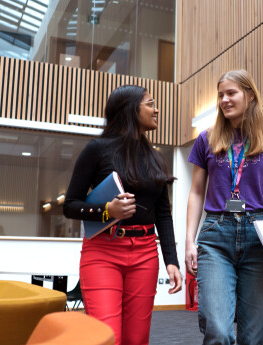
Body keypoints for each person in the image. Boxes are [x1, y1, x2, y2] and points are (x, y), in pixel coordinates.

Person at [63, 85, 182, 345]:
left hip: (145, 253)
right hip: (103, 252)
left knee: (136, 339)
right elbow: (70, 204)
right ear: (131, 110)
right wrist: (107, 211)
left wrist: (171, 260)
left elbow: (163, 214)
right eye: (150, 103)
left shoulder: (155, 158)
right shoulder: (97, 149)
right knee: (108, 337)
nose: (157, 109)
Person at [185, 69, 263, 345]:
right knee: (219, 332)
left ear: (249, 95)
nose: (224, 100)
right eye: (220, 95)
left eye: (231, 93)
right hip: (215, 235)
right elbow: (197, 192)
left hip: (258, 236)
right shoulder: (207, 138)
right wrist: (189, 240)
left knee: (251, 337)